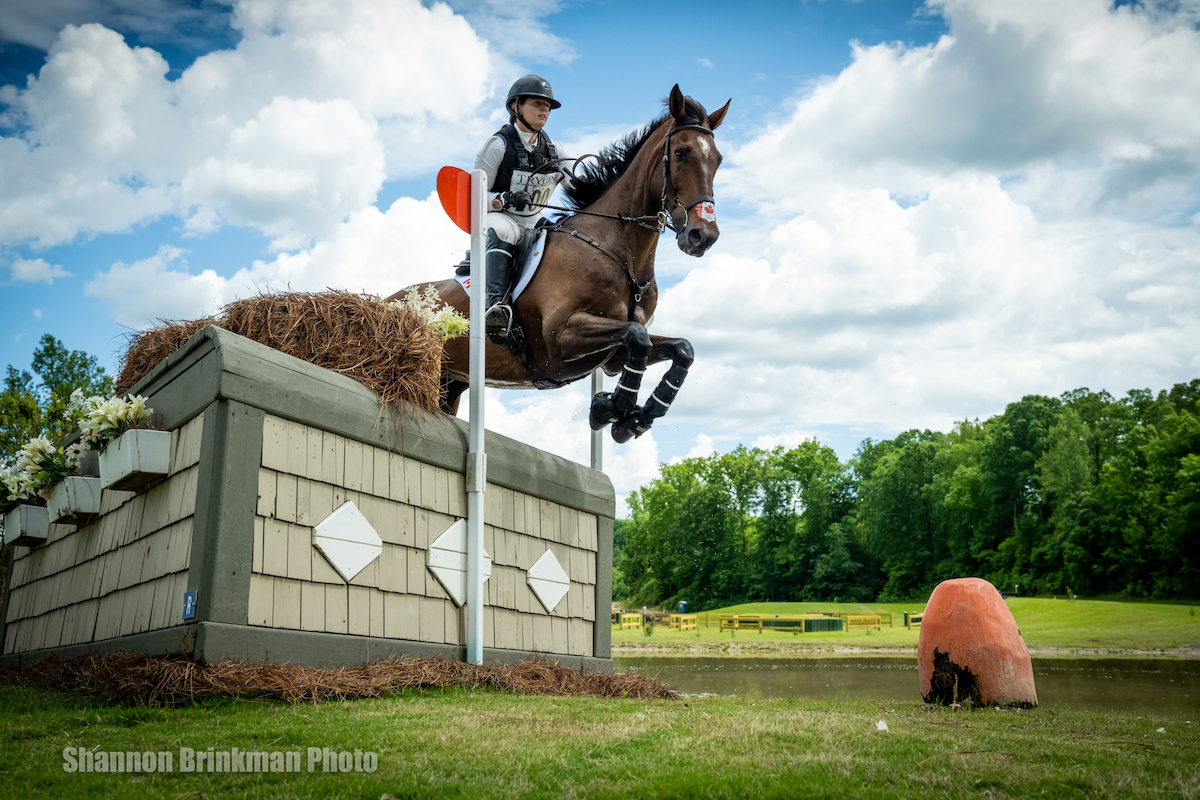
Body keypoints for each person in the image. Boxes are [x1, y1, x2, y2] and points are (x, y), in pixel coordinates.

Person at [473, 75, 572, 341]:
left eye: (548, 107)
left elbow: (578, 184)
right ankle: (496, 307)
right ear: (516, 106)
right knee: (506, 232)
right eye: (538, 103)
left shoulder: (556, 150)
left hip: (535, 219)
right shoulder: (498, 145)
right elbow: (474, 196)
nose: (545, 111)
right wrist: (504, 199)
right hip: (499, 217)